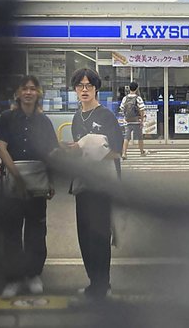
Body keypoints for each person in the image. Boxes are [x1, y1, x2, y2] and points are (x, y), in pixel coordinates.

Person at [0, 75, 59, 298]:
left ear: (38, 93)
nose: (29, 92)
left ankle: (33, 275)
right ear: (18, 93)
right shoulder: (7, 118)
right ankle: (13, 278)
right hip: (13, 182)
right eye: (24, 89)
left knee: (36, 232)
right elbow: (2, 148)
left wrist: (50, 180)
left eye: (33, 88)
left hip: (38, 183)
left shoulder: (44, 121)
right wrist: (18, 178)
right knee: (11, 232)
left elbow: (50, 153)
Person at [66, 68, 123, 299]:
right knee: (85, 237)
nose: (84, 90)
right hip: (83, 185)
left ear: (96, 88)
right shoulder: (77, 117)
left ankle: (103, 285)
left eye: (89, 85)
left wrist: (89, 145)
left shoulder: (106, 116)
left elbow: (117, 152)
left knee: (100, 237)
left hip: (102, 185)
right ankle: (93, 282)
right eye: (80, 86)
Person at [120, 81, 147, 159]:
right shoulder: (138, 98)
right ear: (137, 88)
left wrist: (125, 117)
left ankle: (124, 153)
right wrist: (141, 120)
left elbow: (121, 108)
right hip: (136, 121)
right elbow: (142, 109)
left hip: (128, 121)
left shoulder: (125, 98)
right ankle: (142, 152)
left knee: (126, 137)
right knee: (140, 137)